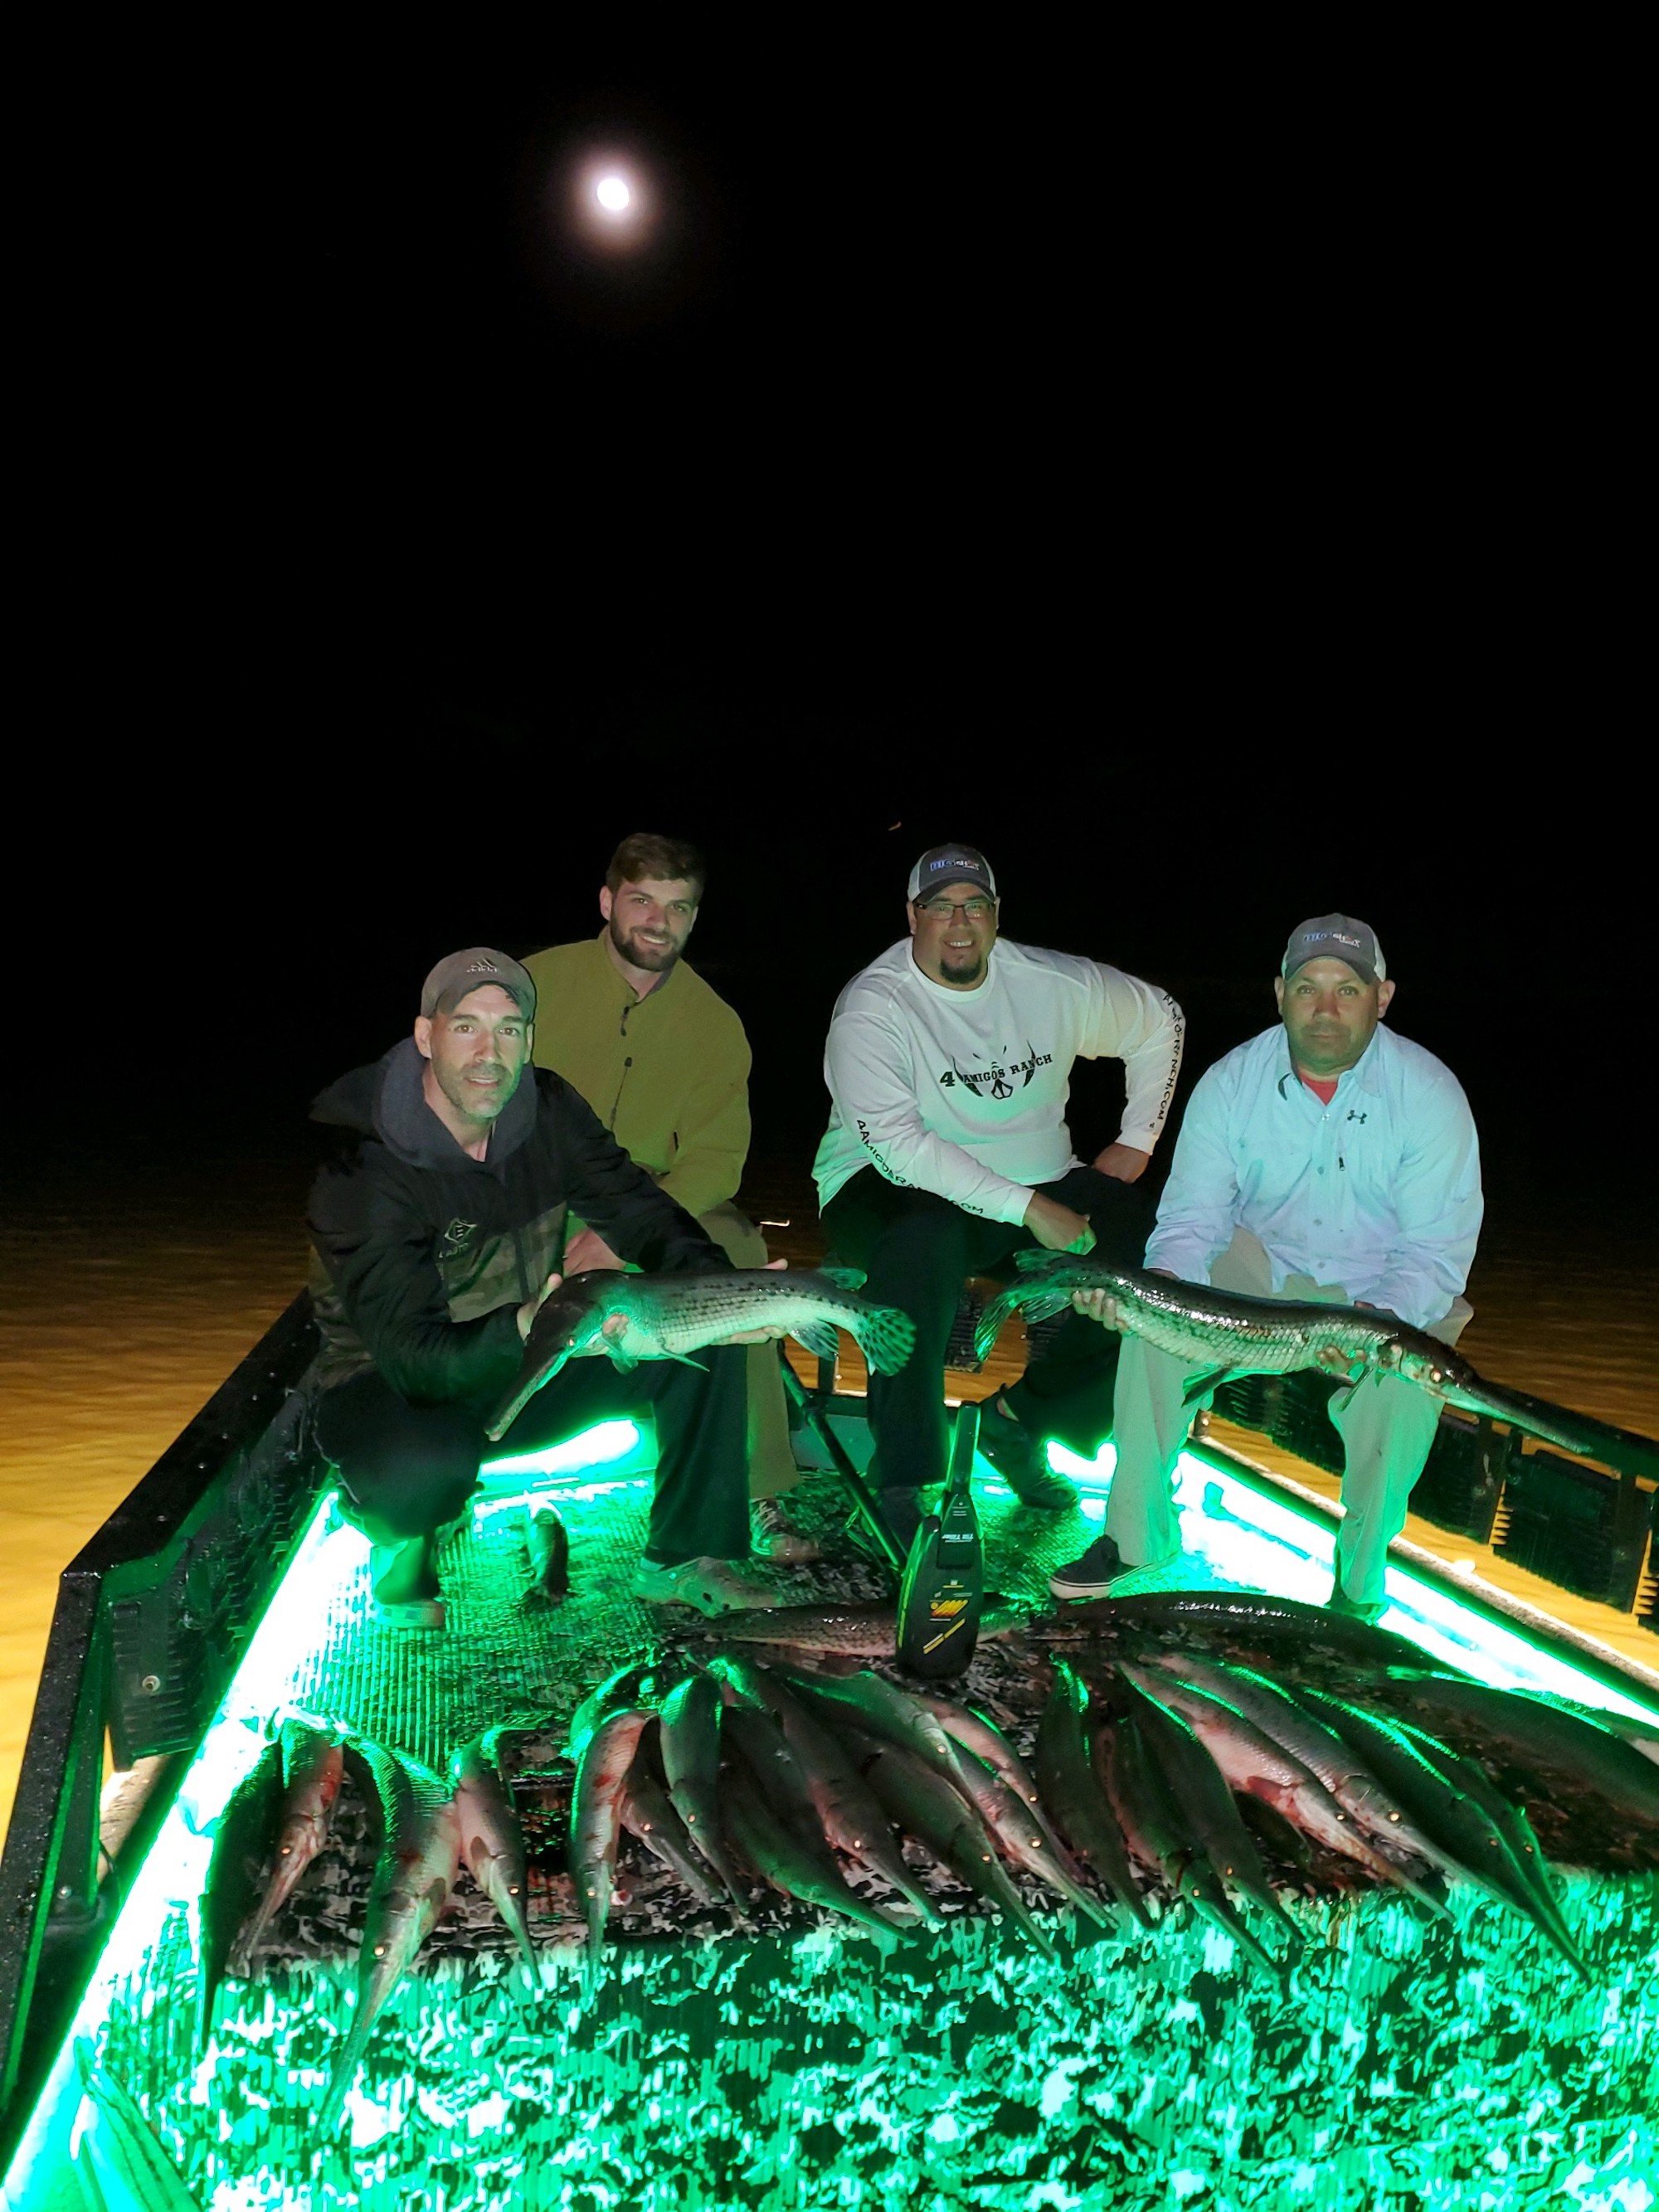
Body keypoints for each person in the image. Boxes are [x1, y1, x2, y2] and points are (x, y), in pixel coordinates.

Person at [307, 946, 777, 1628]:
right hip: (395, 1384)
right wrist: (530, 1326)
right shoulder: (360, 1166)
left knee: (703, 1333)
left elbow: (641, 1213)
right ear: (425, 1035)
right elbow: (412, 1358)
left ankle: (684, 1555)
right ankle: (402, 1532)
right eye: (466, 1026)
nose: (488, 1052)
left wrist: (723, 1295)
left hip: (534, 1358)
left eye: (508, 1029)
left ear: (529, 1040)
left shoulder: (548, 1109)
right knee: (418, 1471)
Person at [1051, 913, 1483, 1620]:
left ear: (1383, 998)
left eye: (1348, 990)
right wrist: (1162, 1294)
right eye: (1308, 988)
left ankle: (1359, 1586)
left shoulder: (1430, 1095)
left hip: (1387, 1289)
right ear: (1280, 992)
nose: (1325, 1008)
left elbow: (1436, 1250)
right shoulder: (1230, 1084)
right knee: (1152, 1335)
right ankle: (1136, 1537)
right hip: (1265, 1271)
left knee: (1405, 1395)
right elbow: (1192, 1222)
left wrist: (1377, 1321)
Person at [813, 843, 1185, 1548]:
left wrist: (1138, 1138)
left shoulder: (1050, 983)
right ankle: (905, 1478)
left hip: (1031, 1178)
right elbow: (898, 1146)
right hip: (883, 1182)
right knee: (923, 1238)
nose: (959, 923)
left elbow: (1160, 1017)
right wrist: (1029, 1207)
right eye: (941, 907)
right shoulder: (874, 1006)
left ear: (995, 914)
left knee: (1151, 1246)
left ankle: (1023, 1422)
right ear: (912, 916)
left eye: (974, 905)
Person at [521, 832, 815, 1563]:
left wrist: (625, 1230)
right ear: (607, 901)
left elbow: (717, 1160)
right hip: (536, 1195)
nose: (659, 922)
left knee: (737, 1246)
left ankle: (753, 1489)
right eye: (642, 900)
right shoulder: (534, 985)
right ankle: (450, 1460)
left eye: (678, 907)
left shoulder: (715, 1024)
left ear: (695, 917)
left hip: (653, 1201)